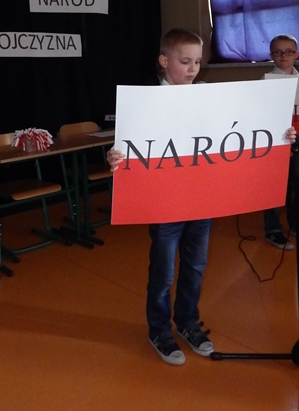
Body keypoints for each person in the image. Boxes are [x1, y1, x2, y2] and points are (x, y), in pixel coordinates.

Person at [107, 28, 297, 366]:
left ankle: (188, 322)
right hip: (165, 204)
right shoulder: (145, 102)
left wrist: (280, 134)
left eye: (197, 61)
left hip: (202, 200)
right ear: (164, 61)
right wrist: (114, 157)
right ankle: (159, 330)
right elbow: (125, 145)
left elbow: (242, 130)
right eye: (185, 61)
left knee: (195, 267)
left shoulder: (208, 96)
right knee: (163, 273)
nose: (193, 68)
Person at [261, 34, 299, 250]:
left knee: (295, 184)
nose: (283, 56)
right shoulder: (265, 82)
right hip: (276, 143)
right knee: (275, 187)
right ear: (271, 55)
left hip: (297, 141)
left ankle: (294, 223)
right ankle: (272, 229)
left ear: (296, 54)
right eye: (278, 52)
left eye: (288, 52)